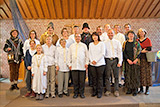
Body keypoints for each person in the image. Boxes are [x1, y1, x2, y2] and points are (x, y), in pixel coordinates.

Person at [68, 34, 89, 99]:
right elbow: (69, 56)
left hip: (82, 65)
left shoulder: (84, 45)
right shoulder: (71, 46)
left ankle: (82, 93)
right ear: (74, 38)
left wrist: (86, 63)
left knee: (82, 81)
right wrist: (69, 64)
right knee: (75, 81)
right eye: (76, 37)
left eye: (78, 37)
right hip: (74, 66)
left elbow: (87, 55)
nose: (77, 38)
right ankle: (76, 93)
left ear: (80, 38)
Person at [104, 29, 122, 97]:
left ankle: (116, 90)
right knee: (107, 76)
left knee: (116, 76)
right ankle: (108, 90)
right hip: (107, 60)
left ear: (114, 34)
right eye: (109, 33)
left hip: (115, 60)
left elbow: (120, 52)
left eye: (112, 33)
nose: (110, 34)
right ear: (107, 34)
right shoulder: (104, 42)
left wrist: (120, 61)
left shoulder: (117, 42)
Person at [123, 30, 141, 96]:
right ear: (127, 36)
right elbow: (124, 52)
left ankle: (135, 89)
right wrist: (128, 59)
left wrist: (136, 59)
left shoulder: (136, 43)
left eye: (132, 34)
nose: (131, 35)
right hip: (128, 62)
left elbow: (139, 51)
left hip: (135, 62)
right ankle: (129, 89)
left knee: (135, 75)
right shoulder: (125, 43)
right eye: (129, 34)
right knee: (128, 75)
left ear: (134, 35)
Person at [89, 32, 105, 98]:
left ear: (98, 36)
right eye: (93, 36)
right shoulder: (90, 44)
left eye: (96, 36)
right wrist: (92, 60)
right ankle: (94, 91)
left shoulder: (102, 44)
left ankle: (99, 92)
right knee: (94, 78)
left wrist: (96, 60)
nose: (95, 37)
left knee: (100, 78)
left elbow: (102, 53)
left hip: (100, 63)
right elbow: (89, 53)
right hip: (92, 64)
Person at [137, 28, 152, 95]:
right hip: (139, 59)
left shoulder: (148, 40)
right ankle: (141, 89)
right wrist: (142, 50)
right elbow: (136, 49)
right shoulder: (137, 40)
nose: (141, 33)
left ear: (145, 33)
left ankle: (147, 89)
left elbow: (149, 48)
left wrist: (142, 50)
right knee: (139, 74)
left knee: (146, 74)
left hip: (146, 59)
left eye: (142, 32)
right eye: (140, 32)